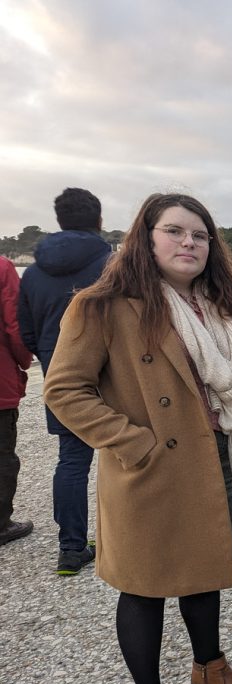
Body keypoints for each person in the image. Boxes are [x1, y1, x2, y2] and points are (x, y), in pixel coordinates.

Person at [43, 193, 232, 684]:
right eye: (174, 231)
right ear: (146, 238)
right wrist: (136, 443)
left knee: (204, 571)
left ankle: (210, 668)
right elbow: (63, 390)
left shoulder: (221, 305)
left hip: (218, 460)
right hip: (152, 472)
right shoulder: (104, 304)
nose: (188, 243)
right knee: (145, 588)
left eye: (199, 235)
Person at [16, 188, 110, 571]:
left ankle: (71, 548)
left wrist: (52, 360)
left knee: (71, 461)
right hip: (115, 374)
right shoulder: (112, 264)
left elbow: (25, 330)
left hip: (59, 375)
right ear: (98, 220)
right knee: (133, 453)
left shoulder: (34, 273)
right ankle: (132, 538)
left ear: (59, 220)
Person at [0, 256, 34, 547]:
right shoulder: (2, 268)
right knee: (2, 457)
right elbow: (15, 324)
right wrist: (23, 360)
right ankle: (1, 524)